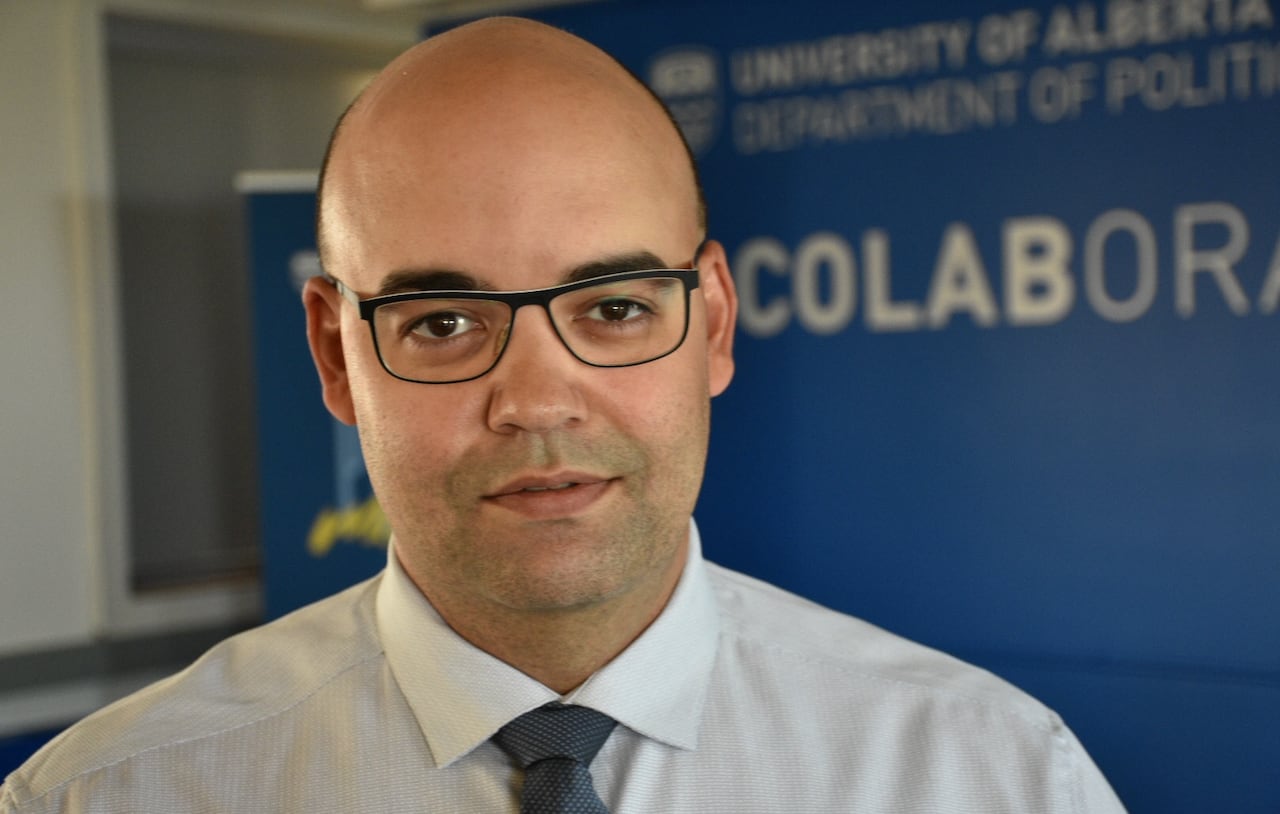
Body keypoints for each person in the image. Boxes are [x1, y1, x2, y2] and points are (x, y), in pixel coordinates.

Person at [2, 16, 1126, 813]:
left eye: (617, 306)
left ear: (715, 324)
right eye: (442, 322)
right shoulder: (114, 795)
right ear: (335, 355)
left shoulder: (993, 777)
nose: (536, 399)